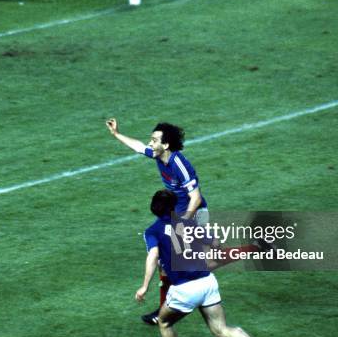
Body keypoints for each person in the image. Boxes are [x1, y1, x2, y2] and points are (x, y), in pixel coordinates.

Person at [106, 118, 263, 324]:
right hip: (178, 212)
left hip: (194, 212)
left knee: (204, 263)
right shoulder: (157, 154)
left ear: (166, 145)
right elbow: (138, 147)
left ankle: (254, 248)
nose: (150, 143)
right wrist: (117, 134)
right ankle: (163, 310)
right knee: (170, 262)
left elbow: (196, 198)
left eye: (154, 140)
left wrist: (183, 224)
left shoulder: (179, 164)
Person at [135, 189, 275, 337]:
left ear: (153, 208)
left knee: (164, 322)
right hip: (207, 283)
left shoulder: (152, 231)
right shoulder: (187, 223)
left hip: (184, 290)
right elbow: (215, 242)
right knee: (221, 330)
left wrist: (144, 286)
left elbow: (153, 256)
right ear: (174, 207)